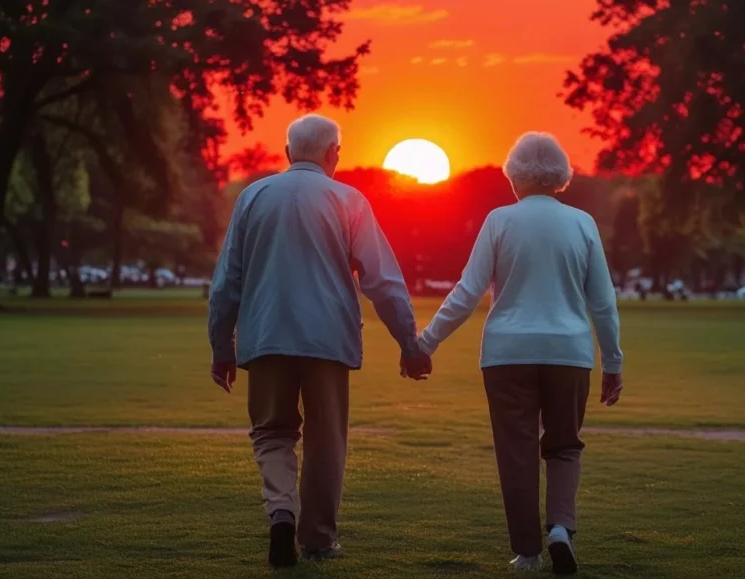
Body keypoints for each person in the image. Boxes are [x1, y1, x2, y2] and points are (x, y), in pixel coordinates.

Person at [207, 113, 432, 568]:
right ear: (334, 154)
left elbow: (227, 282)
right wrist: (409, 342)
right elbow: (382, 281)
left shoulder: (253, 197)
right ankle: (318, 539)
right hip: (328, 340)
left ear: (288, 153)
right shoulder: (348, 200)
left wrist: (222, 346)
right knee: (327, 440)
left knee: (271, 432)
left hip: (266, 334)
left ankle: (281, 511)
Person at [417, 132, 624, 574]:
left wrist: (425, 342)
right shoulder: (582, 223)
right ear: (560, 177)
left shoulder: (499, 221)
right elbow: (602, 302)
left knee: (517, 451)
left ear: (514, 175)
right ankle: (561, 530)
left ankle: (527, 552)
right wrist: (614, 361)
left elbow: (467, 292)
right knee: (565, 446)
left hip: (507, 353)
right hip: (569, 351)